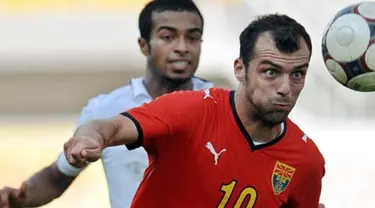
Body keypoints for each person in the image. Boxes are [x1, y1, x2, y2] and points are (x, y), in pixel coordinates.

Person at [63, 14, 326, 208]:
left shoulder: (306, 161)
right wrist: (91, 138)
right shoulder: (192, 110)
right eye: (270, 72)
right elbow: (111, 127)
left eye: (298, 74)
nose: (285, 88)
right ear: (240, 69)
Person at [0, 1, 213, 208]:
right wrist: (20, 199)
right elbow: (57, 177)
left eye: (193, 38)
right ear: (144, 45)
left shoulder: (224, 106)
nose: (183, 48)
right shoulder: (105, 109)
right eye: (168, 37)